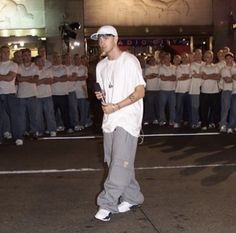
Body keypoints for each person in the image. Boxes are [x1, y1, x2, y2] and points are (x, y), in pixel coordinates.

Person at [91, 25, 145, 222]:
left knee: (119, 163)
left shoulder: (130, 61)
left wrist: (117, 106)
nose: (101, 41)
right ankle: (133, 197)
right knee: (116, 162)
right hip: (109, 119)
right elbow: (106, 91)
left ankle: (106, 204)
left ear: (115, 38)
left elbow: (140, 92)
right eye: (99, 38)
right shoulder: (101, 66)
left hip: (127, 118)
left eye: (105, 37)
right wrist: (101, 95)